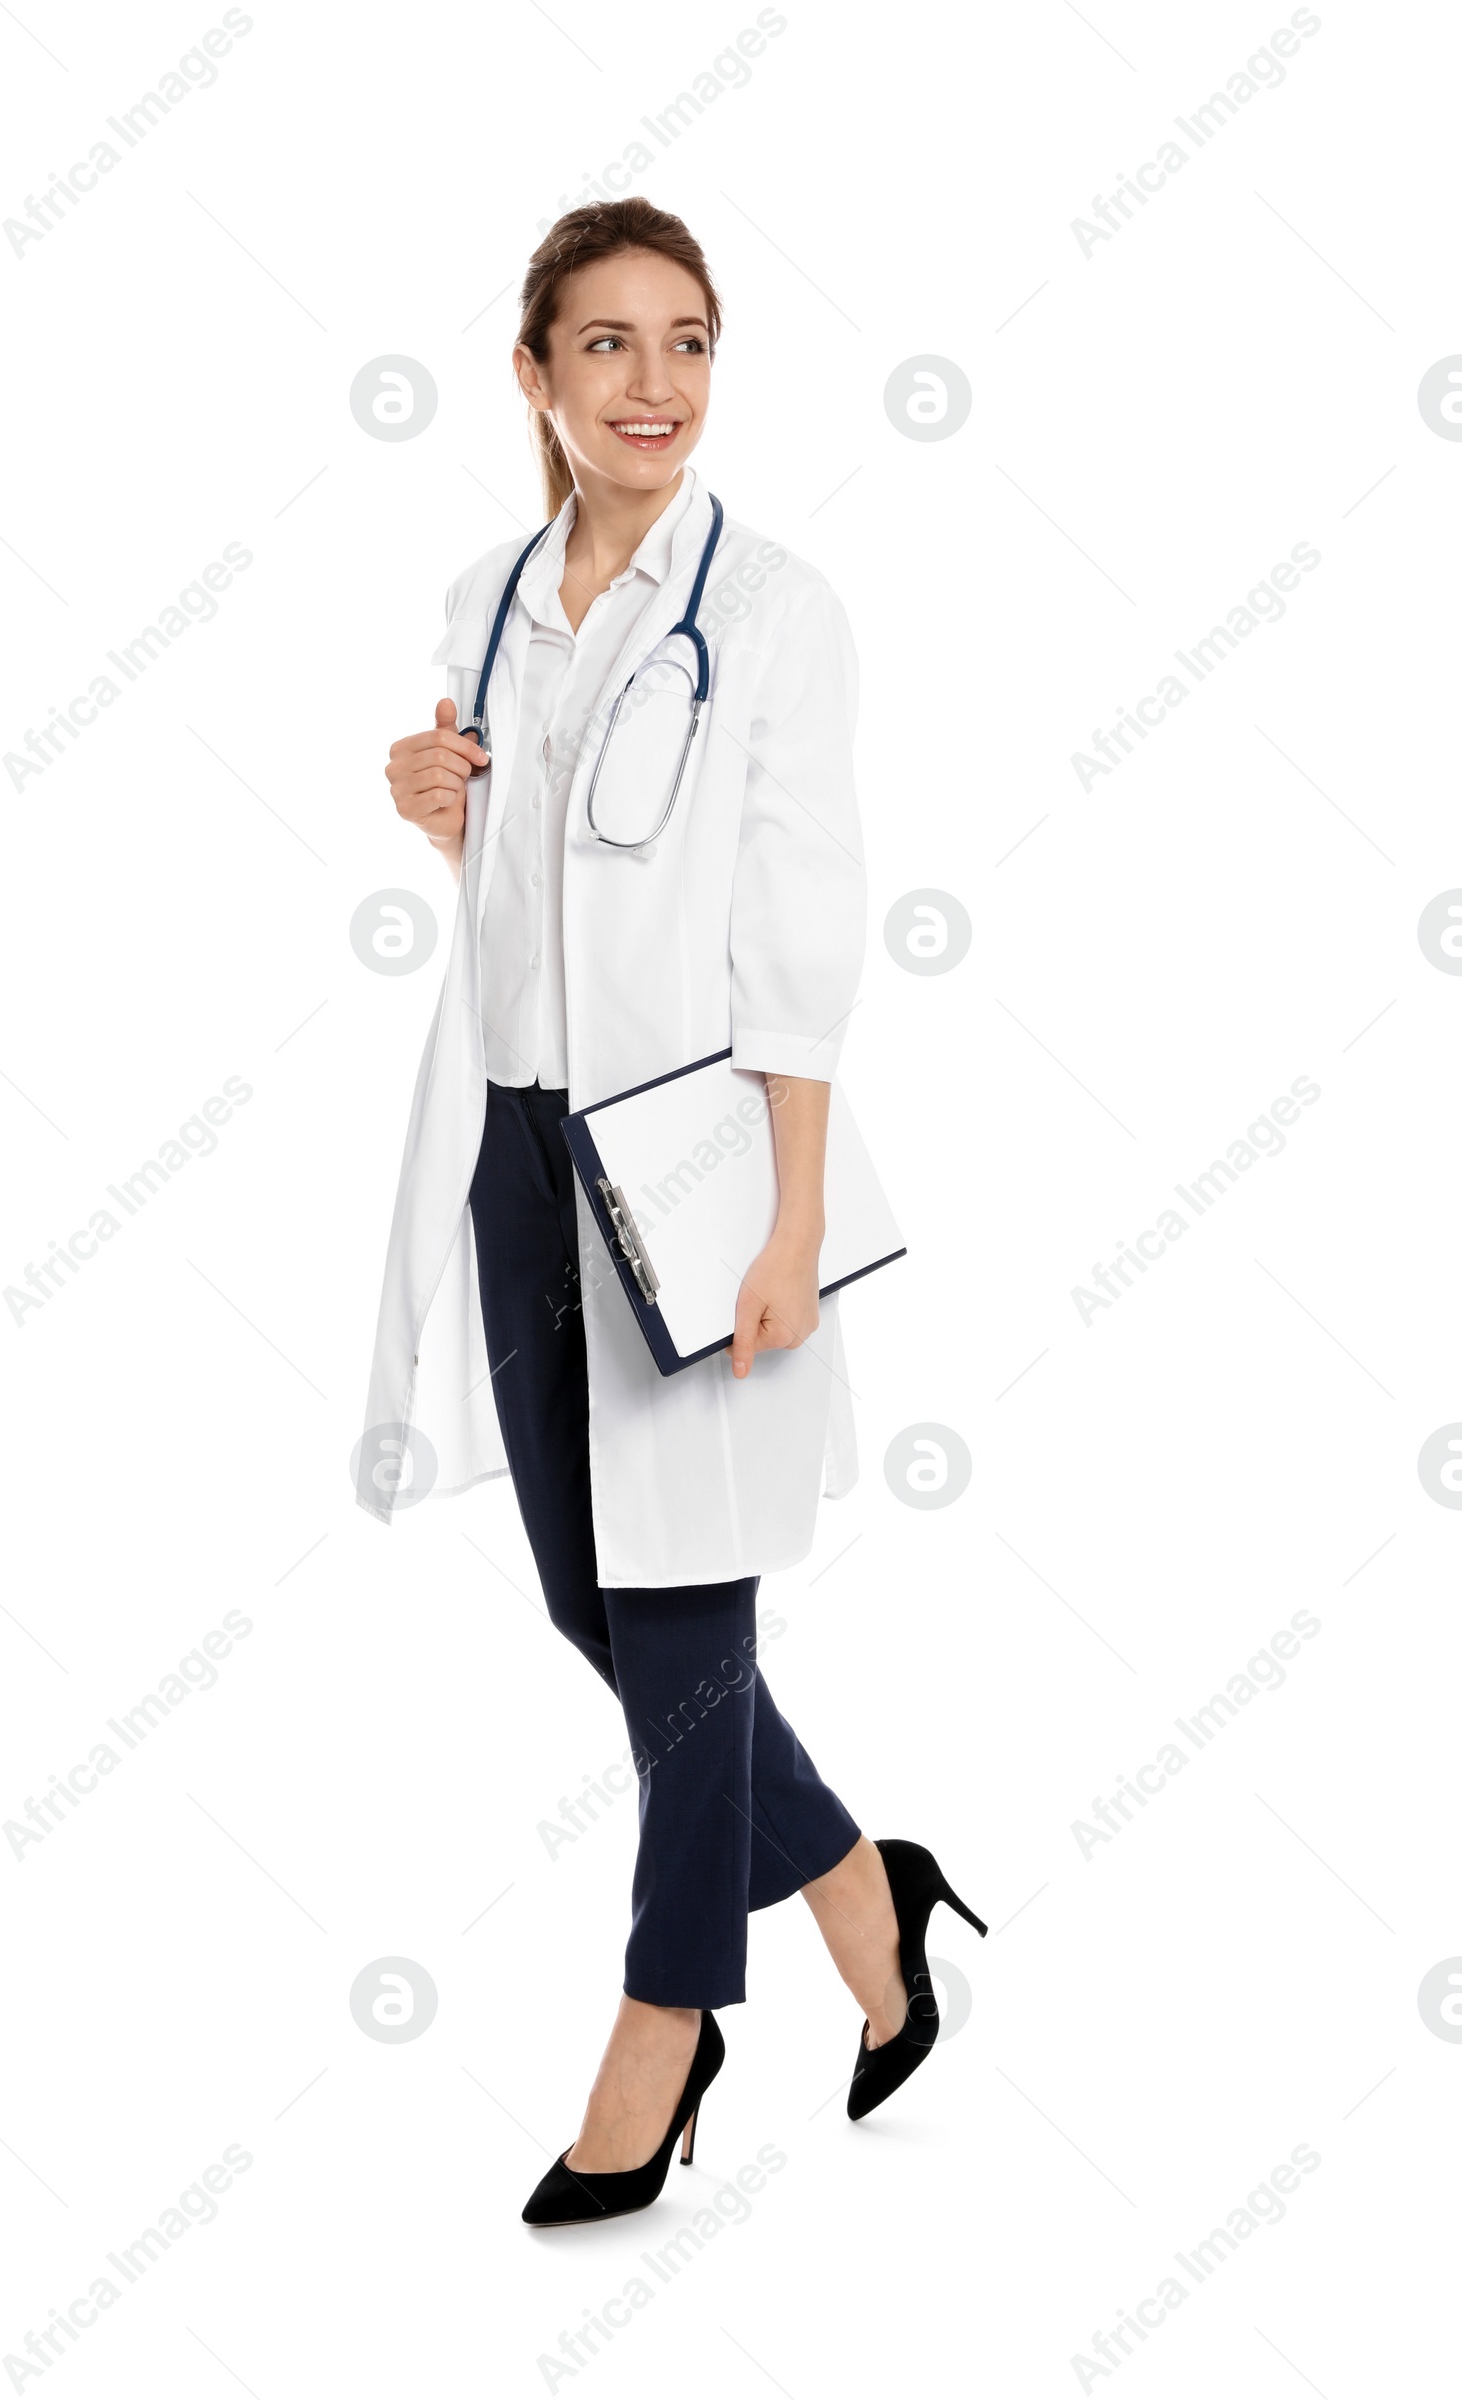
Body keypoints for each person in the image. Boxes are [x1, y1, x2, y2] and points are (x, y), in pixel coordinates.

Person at [365, 197, 983, 2226]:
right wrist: (435, 799)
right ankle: (851, 1891)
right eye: (608, 347)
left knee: (685, 1604)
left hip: (694, 1172)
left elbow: (796, 945)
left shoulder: (779, 613)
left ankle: (665, 2021)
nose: (656, 386)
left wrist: (788, 1224)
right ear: (533, 377)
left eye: (690, 342)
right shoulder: (481, 595)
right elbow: (518, 867)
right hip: (514, 1152)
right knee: (591, 1599)